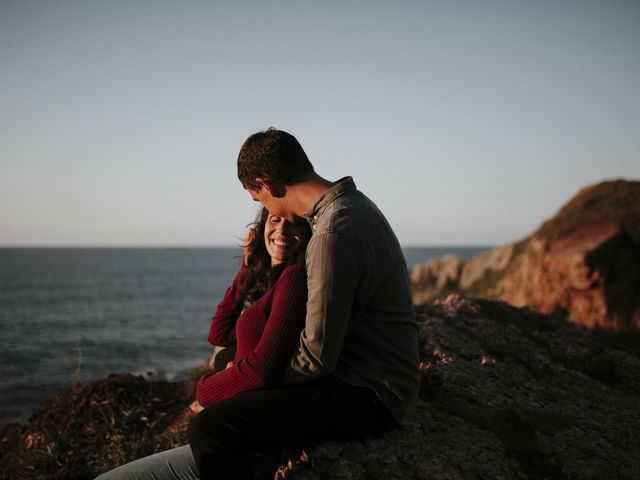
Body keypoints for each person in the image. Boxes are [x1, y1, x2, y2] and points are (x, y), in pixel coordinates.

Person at [188, 129, 420, 479]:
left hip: (370, 392)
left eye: (258, 200)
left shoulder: (332, 234)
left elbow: (314, 358)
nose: (264, 211)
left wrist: (243, 380)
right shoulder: (353, 206)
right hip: (370, 378)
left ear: (267, 185)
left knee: (211, 428)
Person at [95, 208, 312, 480]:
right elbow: (220, 334)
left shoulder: (294, 278)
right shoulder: (276, 281)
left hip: (248, 444)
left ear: (308, 234)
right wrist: (246, 267)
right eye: (274, 220)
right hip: (235, 434)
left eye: (294, 224)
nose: (281, 231)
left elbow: (260, 372)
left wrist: (206, 387)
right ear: (261, 228)